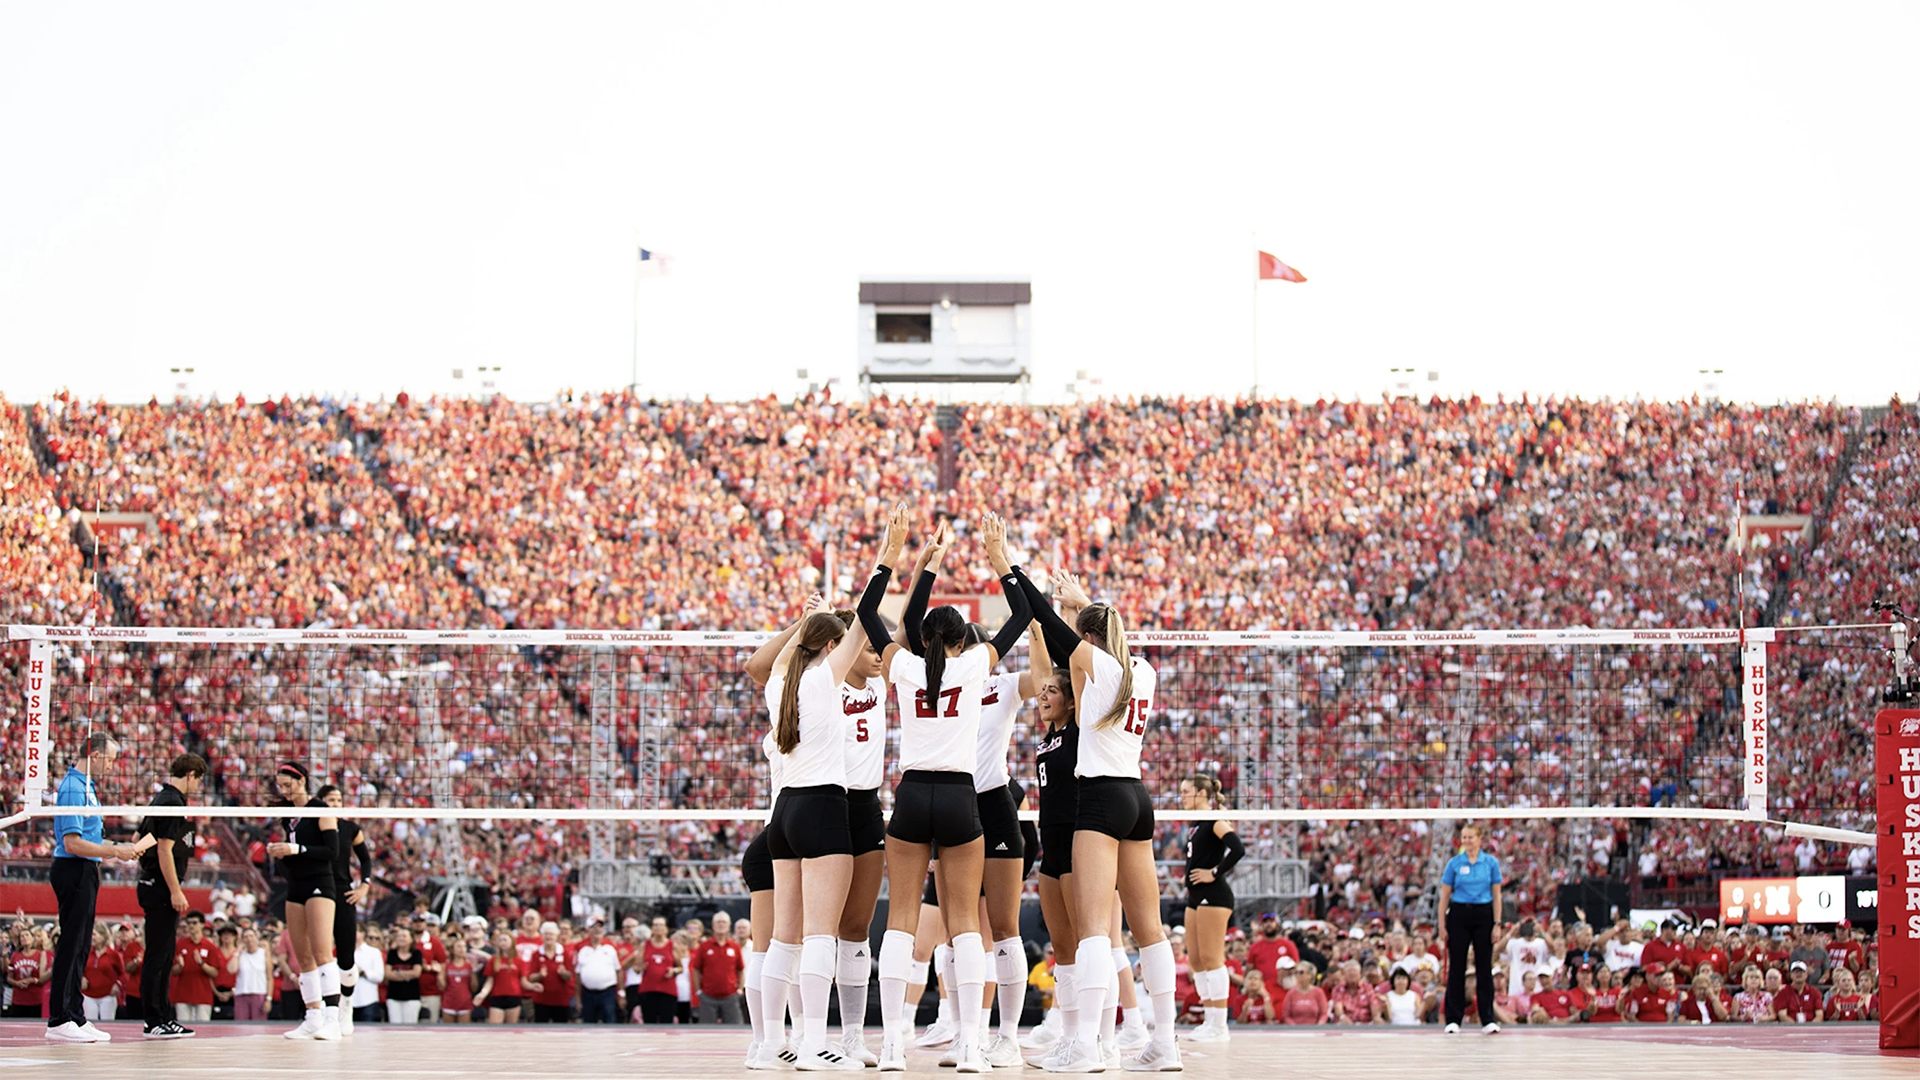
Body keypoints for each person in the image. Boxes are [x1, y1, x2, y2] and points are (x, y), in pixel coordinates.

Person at [862, 508, 1031, 1074]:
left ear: (925, 640)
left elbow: (871, 612)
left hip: (911, 797)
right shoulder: (974, 669)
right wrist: (999, 559)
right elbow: (1024, 613)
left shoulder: (906, 667)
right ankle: (971, 1048)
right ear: (961, 639)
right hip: (962, 799)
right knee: (964, 924)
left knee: (901, 921)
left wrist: (912, 560)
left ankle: (890, 1047)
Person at [1018, 569, 1178, 1073]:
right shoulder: (1145, 671)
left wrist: (1012, 572)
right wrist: (1084, 603)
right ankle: (1165, 1044)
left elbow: (1050, 625)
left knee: (1093, 933)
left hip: (1101, 798)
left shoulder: (1098, 667)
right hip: (1137, 796)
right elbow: (1103, 636)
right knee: (1150, 929)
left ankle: (1086, 1046)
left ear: (1089, 639)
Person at [48, 732, 146, 1043]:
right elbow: (73, 843)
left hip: (86, 870)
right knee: (71, 942)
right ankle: (59, 1018)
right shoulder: (73, 788)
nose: (112, 765)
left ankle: (75, 1015)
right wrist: (115, 850)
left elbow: (89, 841)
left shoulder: (87, 787)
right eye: (110, 758)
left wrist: (118, 849)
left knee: (81, 945)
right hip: (73, 868)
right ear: (94, 754)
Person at [1021, 669, 1080, 1060]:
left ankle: (1096, 1038)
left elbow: (1077, 665)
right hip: (1051, 843)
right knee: (1063, 948)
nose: (1043, 696)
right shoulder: (1049, 738)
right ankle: (1069, 1036)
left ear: (1072, 700)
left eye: (1052, 691)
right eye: (1041, 691)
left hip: (1079, 839)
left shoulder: (1079, 730)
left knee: (1088, 942)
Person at [267, 762, 342, 1040]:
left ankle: (332, 1019)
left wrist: (295, 848)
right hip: (296, 883)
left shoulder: (320, 809)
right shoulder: (287, 814)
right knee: (302, 956)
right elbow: (294, 851)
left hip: (320, 882)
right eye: (281, 786)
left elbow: (331, 851)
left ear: (302, 781)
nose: (284, 791)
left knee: (323, 951)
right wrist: (282, 853)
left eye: (288, 785)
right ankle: (313, 1016)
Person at [137, 751, 205, 1038]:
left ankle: (162, 1017)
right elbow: (163, 848)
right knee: (158, 954)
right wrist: (175, 890)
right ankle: (154, 1020)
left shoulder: (165, 799)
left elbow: (142, 839)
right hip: (160, 886)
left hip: (155, 883)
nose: (198, 787)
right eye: (199, 781)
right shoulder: (172, 801)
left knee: (164, 955)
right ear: (191, 776)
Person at [1178, 773, 1244, 1045]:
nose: (1181, 797)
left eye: (1186, 791)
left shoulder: (1215, 819)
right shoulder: (1196, 823)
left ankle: (1219, 1024)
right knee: (1195, 960)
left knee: (1212, 957)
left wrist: (1213, 873)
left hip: (1215, 895)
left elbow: (1238, 849)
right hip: (1195, 896)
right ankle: (1209, 1020)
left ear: (1202, 794)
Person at [314, 786, 373, 1036]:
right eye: (331, 799)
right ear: (321, 802)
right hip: (318, 889)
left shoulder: (350, 828)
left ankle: (346, 1005)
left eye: (339, 799)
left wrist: (364, 886)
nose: (336, 803)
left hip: (343, 893)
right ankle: (324, 1013)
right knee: (320, 954)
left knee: (346, 958)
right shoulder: (312, 825)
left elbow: (366, 860)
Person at [1436, 823, 1502, 1035]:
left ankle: (1487, 1019)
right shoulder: (1455, 863)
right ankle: (1453, 1019)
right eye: (1463, 837)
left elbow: (1497, 895)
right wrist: (1441, 926)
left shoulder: (1490, 863)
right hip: (1459, 914)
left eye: (1470, 837)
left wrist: (1497, 924)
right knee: (1457, 967)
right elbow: (1444, 896)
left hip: (1483, 914)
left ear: (1479, 838)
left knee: (1484, 968)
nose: (1466, 841)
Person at [690, 916, 745, 1025]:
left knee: (735, 1027)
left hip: (730, 995)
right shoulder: (704, 946)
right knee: (706, 1029)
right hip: (708, 996)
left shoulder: (735, 947)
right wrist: (698, 990)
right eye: (718, 922)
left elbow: (740, 969)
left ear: (729, 926)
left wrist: (740, 989)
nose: (721, 925)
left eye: (723, 922)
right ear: (713, 926)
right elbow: (696, 970)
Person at [171, 911, 220, 1025]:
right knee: (183, 1026)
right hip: (183, 995)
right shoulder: (180, 944)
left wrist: (202, 963)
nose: (191, 926)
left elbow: (214, 972)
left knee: (203, 1029)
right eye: (189, 923)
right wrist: (180, 966)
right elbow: (173, 971)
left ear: (202, 924)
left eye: (194, 923)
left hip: (203, 995)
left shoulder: (209, 946)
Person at [476, 928, 524, 1023]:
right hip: (497, 996)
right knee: (495, 1028)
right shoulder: (494, 960)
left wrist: (532, 986)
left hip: (513, 996)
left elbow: (523, 980)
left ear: (512, 942)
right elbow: (490, 980)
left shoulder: (518, 960)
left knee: (511, 1029)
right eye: (500, 940)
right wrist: (483, 993)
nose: (502, 943)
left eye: (505, 940)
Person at [81, 926, 123, 1022]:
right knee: (90, 1023)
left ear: (103, 936)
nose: (91, 937)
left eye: (94, 934)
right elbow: (79, 969)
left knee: (107, 1023)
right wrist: (82, 978)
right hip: (88, 995)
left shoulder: (113, 954)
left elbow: (122, 973)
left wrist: (118, 984)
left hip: (108, 995)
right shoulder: (86, 953)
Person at [385, 926, 425, 1024]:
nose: (401, 938)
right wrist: (407, 975)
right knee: (394, 1026)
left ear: (411, 939)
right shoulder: (392, 953)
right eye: (399, 936)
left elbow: (416, 973)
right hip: (393, 997)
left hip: (412, 997)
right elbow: (388, 974)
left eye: (404, 936)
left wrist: (397, 973)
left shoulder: (416, 954)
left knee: (410, 1026)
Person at [230, 926, 270, 1021]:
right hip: (241, 994)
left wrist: (269, 998)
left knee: (259, 1028)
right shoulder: (240, 955)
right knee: (241, 1027)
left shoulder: (263, 953)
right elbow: (231, 969)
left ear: (256, 937)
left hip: (259, 993)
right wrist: (238, 952)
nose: (249, 939)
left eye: (251, 936)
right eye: (246, 937)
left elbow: (269, 977)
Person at [441, 935, 477, 1023]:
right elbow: (442, 986)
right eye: (458, 946)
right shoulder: (446, 966)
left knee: (464, 1031)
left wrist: (474, 971)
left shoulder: (469, 966)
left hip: (464, 1002)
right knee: (448, 1031)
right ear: (452, 949)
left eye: (464, 946)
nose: (462, 949)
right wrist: (440, 974)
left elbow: (474, 987)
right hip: (449, 1002)